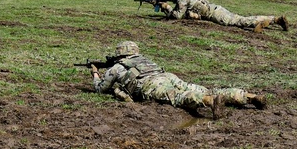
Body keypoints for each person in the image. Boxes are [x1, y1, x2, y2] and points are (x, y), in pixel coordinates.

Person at [88, 41, 266, 118]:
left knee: (180, 98)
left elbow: (100, 89)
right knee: (202, 88)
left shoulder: (117, 67)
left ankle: (208, 102)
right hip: (168, 76)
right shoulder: (145, 59)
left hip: (151, 84)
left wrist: (95, 73)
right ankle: (247, 96)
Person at [160, 0, 289, 33]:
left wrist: (167, 7)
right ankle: (274, 19)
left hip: (215, 14)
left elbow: (177, 16)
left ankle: (265, 22)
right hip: (216, 8)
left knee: (239, 21)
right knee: (239, 18)